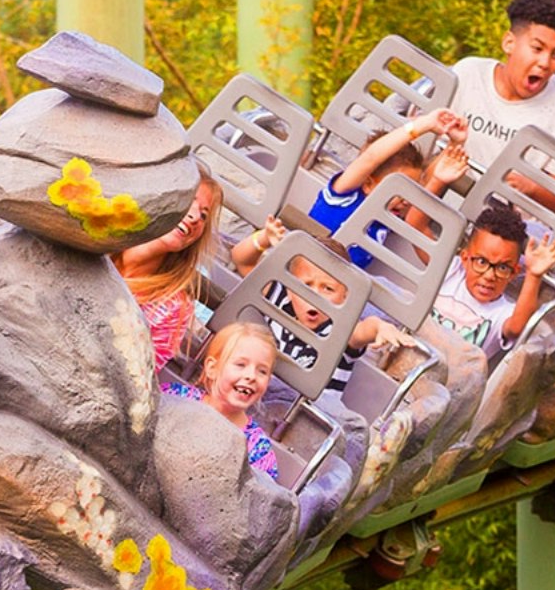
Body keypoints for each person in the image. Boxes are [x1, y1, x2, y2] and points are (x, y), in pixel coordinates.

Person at [233, 109, 470, 273]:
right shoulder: (344, 196)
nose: (407, 201)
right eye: (400, 191)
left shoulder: (388, 219)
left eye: (410, 193)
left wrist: (455, 144)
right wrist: (423, 125)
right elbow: (371, 158)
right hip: (300, 270)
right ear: (368, 183)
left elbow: (425, 194)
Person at [446, 0, 555, 171]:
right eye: (537, 48)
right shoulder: (468, 73)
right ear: (509, 43)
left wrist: (526, 186)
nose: (545, 63)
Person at [113, 163, 224, 371]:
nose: (194, 218)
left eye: (203, 216)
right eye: (190, 200)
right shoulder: (96, 242)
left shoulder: (173, 307)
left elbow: (138, 377)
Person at [258, 252, 417, 395]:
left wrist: (381, 327)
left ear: (345, 296)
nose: (315, 296)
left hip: (308, 417)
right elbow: (244, 263)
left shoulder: (339, 329)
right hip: (262, 395)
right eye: (306, 285)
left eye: (328, 289)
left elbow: (362, 331)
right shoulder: (281, 303)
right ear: (290, 287)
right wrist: (260, 240)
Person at [427, 202, 555, 361]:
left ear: (514, 273)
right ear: (465, 258)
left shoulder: (503, 312)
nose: (489, 275)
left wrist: (534, 275)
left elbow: (517, 328)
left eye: (502, 268)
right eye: (481, 262)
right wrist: (436, 182)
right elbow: (416, 226)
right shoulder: (451, 271)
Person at [162, 322, 280, 481]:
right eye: (240, 365)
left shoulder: (257, 449)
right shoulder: (175, 398)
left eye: (262, 371)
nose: (251, 376)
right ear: (212, 368)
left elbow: (259, 498)